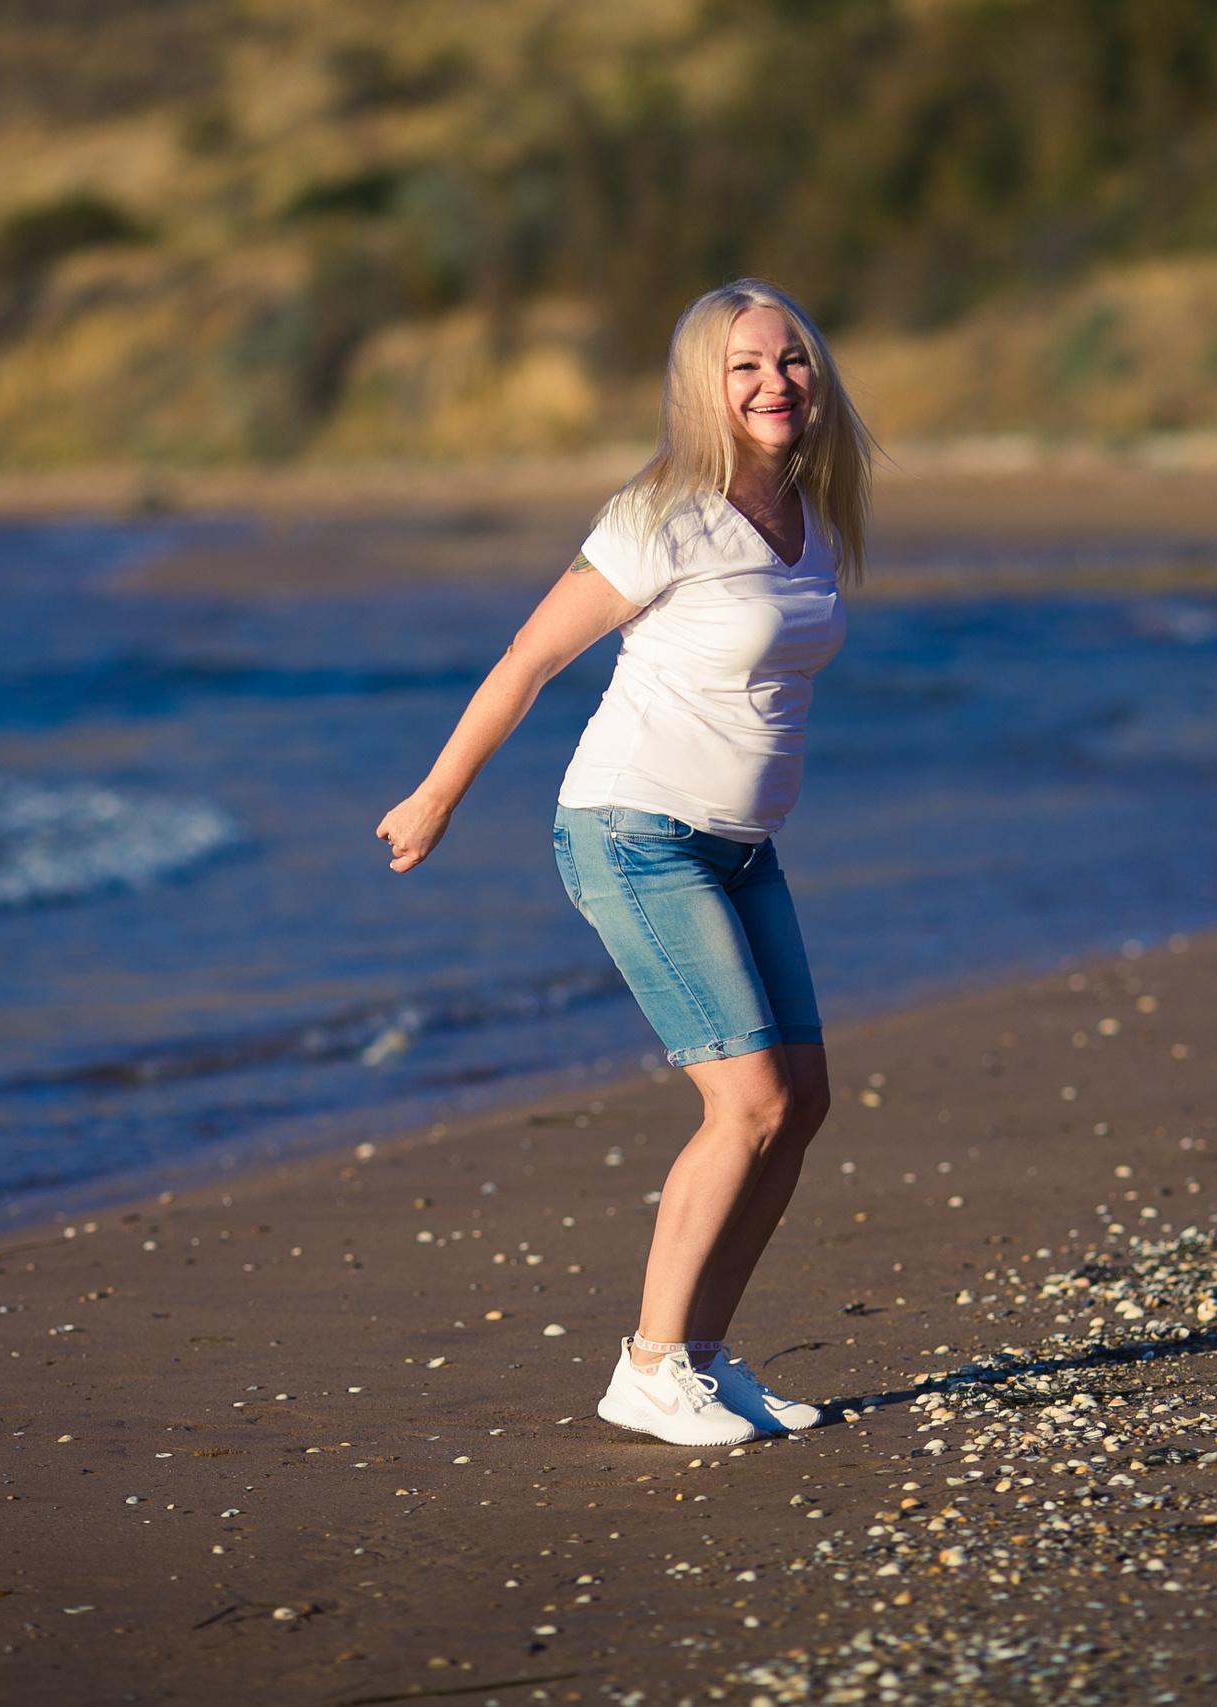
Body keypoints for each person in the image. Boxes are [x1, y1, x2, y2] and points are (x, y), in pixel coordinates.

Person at [375, 279, 876, 1447]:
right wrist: (436, 794)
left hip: (740, 846)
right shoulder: (662, 513)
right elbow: (529, 656)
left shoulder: (809, 512)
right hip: (634, 831)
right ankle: (647, 1367)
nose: (773, 384)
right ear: (703, 386)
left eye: (791, 360)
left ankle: (699, 1361)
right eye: (745, 366)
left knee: (800, 1104)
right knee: (744, 1100)